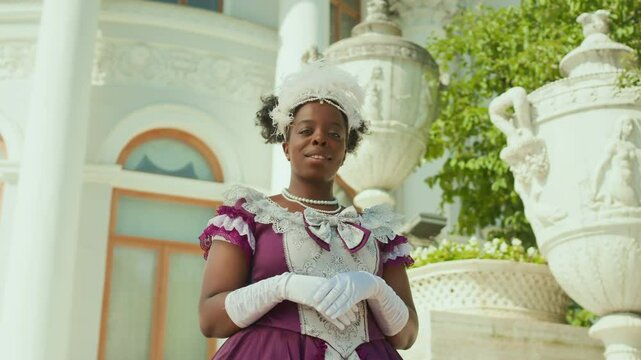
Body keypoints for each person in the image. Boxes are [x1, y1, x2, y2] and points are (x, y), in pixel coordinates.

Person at [198, 61, 418, 359]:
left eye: (335, 134)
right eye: (305, 130)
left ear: (344, 152)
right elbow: (211, 320)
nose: (320, 138)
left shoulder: (378, 232)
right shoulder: (249, 217)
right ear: (286, 145)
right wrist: (282, 287)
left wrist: (374, 288)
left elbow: (406, 336)